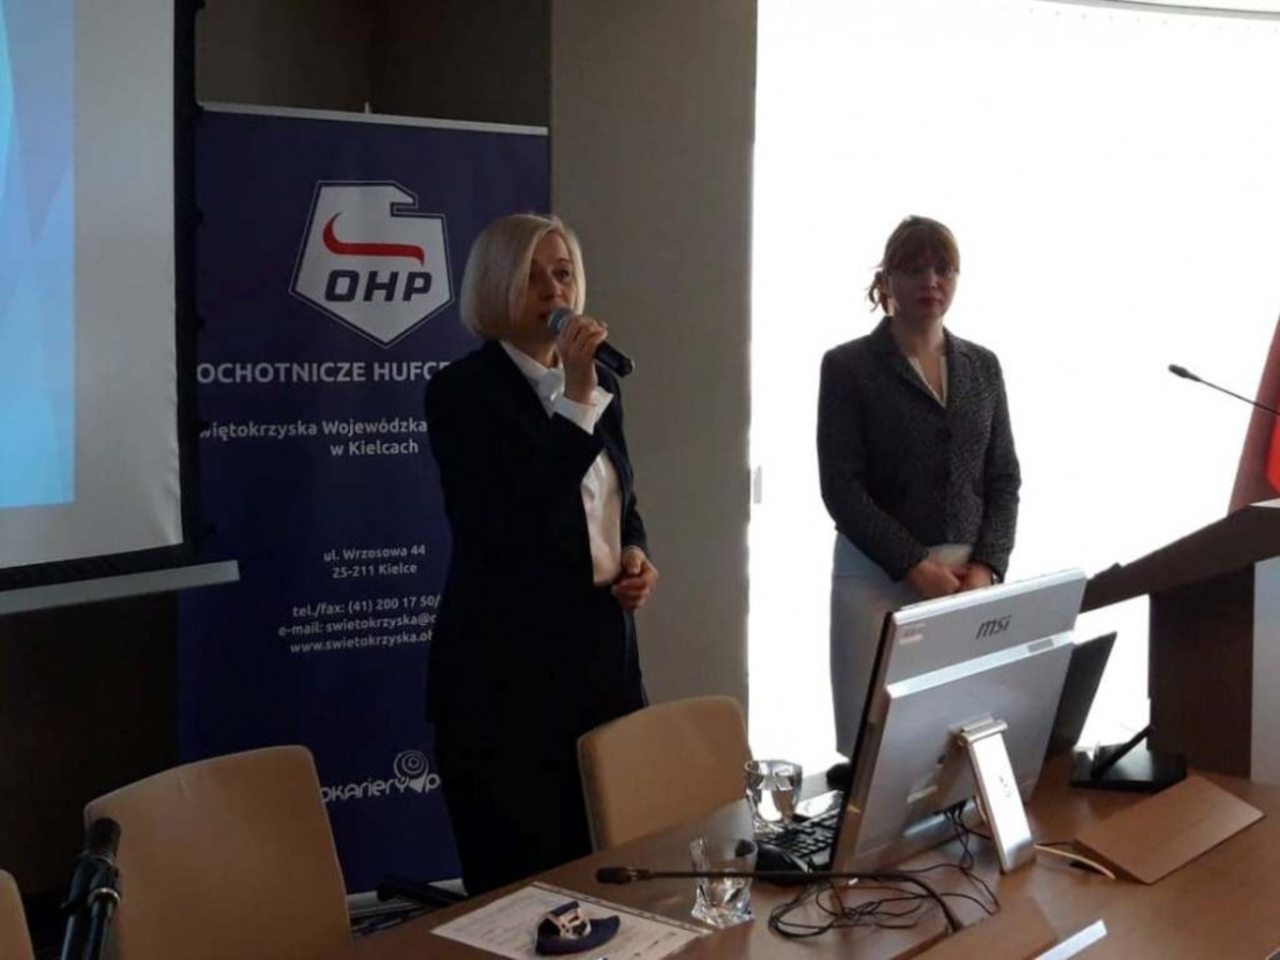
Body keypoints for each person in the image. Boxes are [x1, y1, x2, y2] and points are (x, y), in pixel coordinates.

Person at [423, 213, 659, 894]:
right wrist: (577, 397)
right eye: (532, 277)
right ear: (495, 286)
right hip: (508, 682)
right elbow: (512, 521)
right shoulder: (463, 393)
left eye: (563, 273)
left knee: (613, 874)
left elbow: (617, 501)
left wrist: (634, 554)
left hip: (603, 663)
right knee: (524, 893)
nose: (554, 290)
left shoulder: (602, 389)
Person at [817, 215, 1020, 758]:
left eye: (943, 268)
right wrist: (913, 565)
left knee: (959, 743)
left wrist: (988, 567)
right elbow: (841, 489)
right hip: (875, 576)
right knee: (876, 749)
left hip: (966, 580)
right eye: (914, 268)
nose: (931, 280)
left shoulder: (984, 367)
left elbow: (1004, 478)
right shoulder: (847, 366)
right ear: (887, 279)